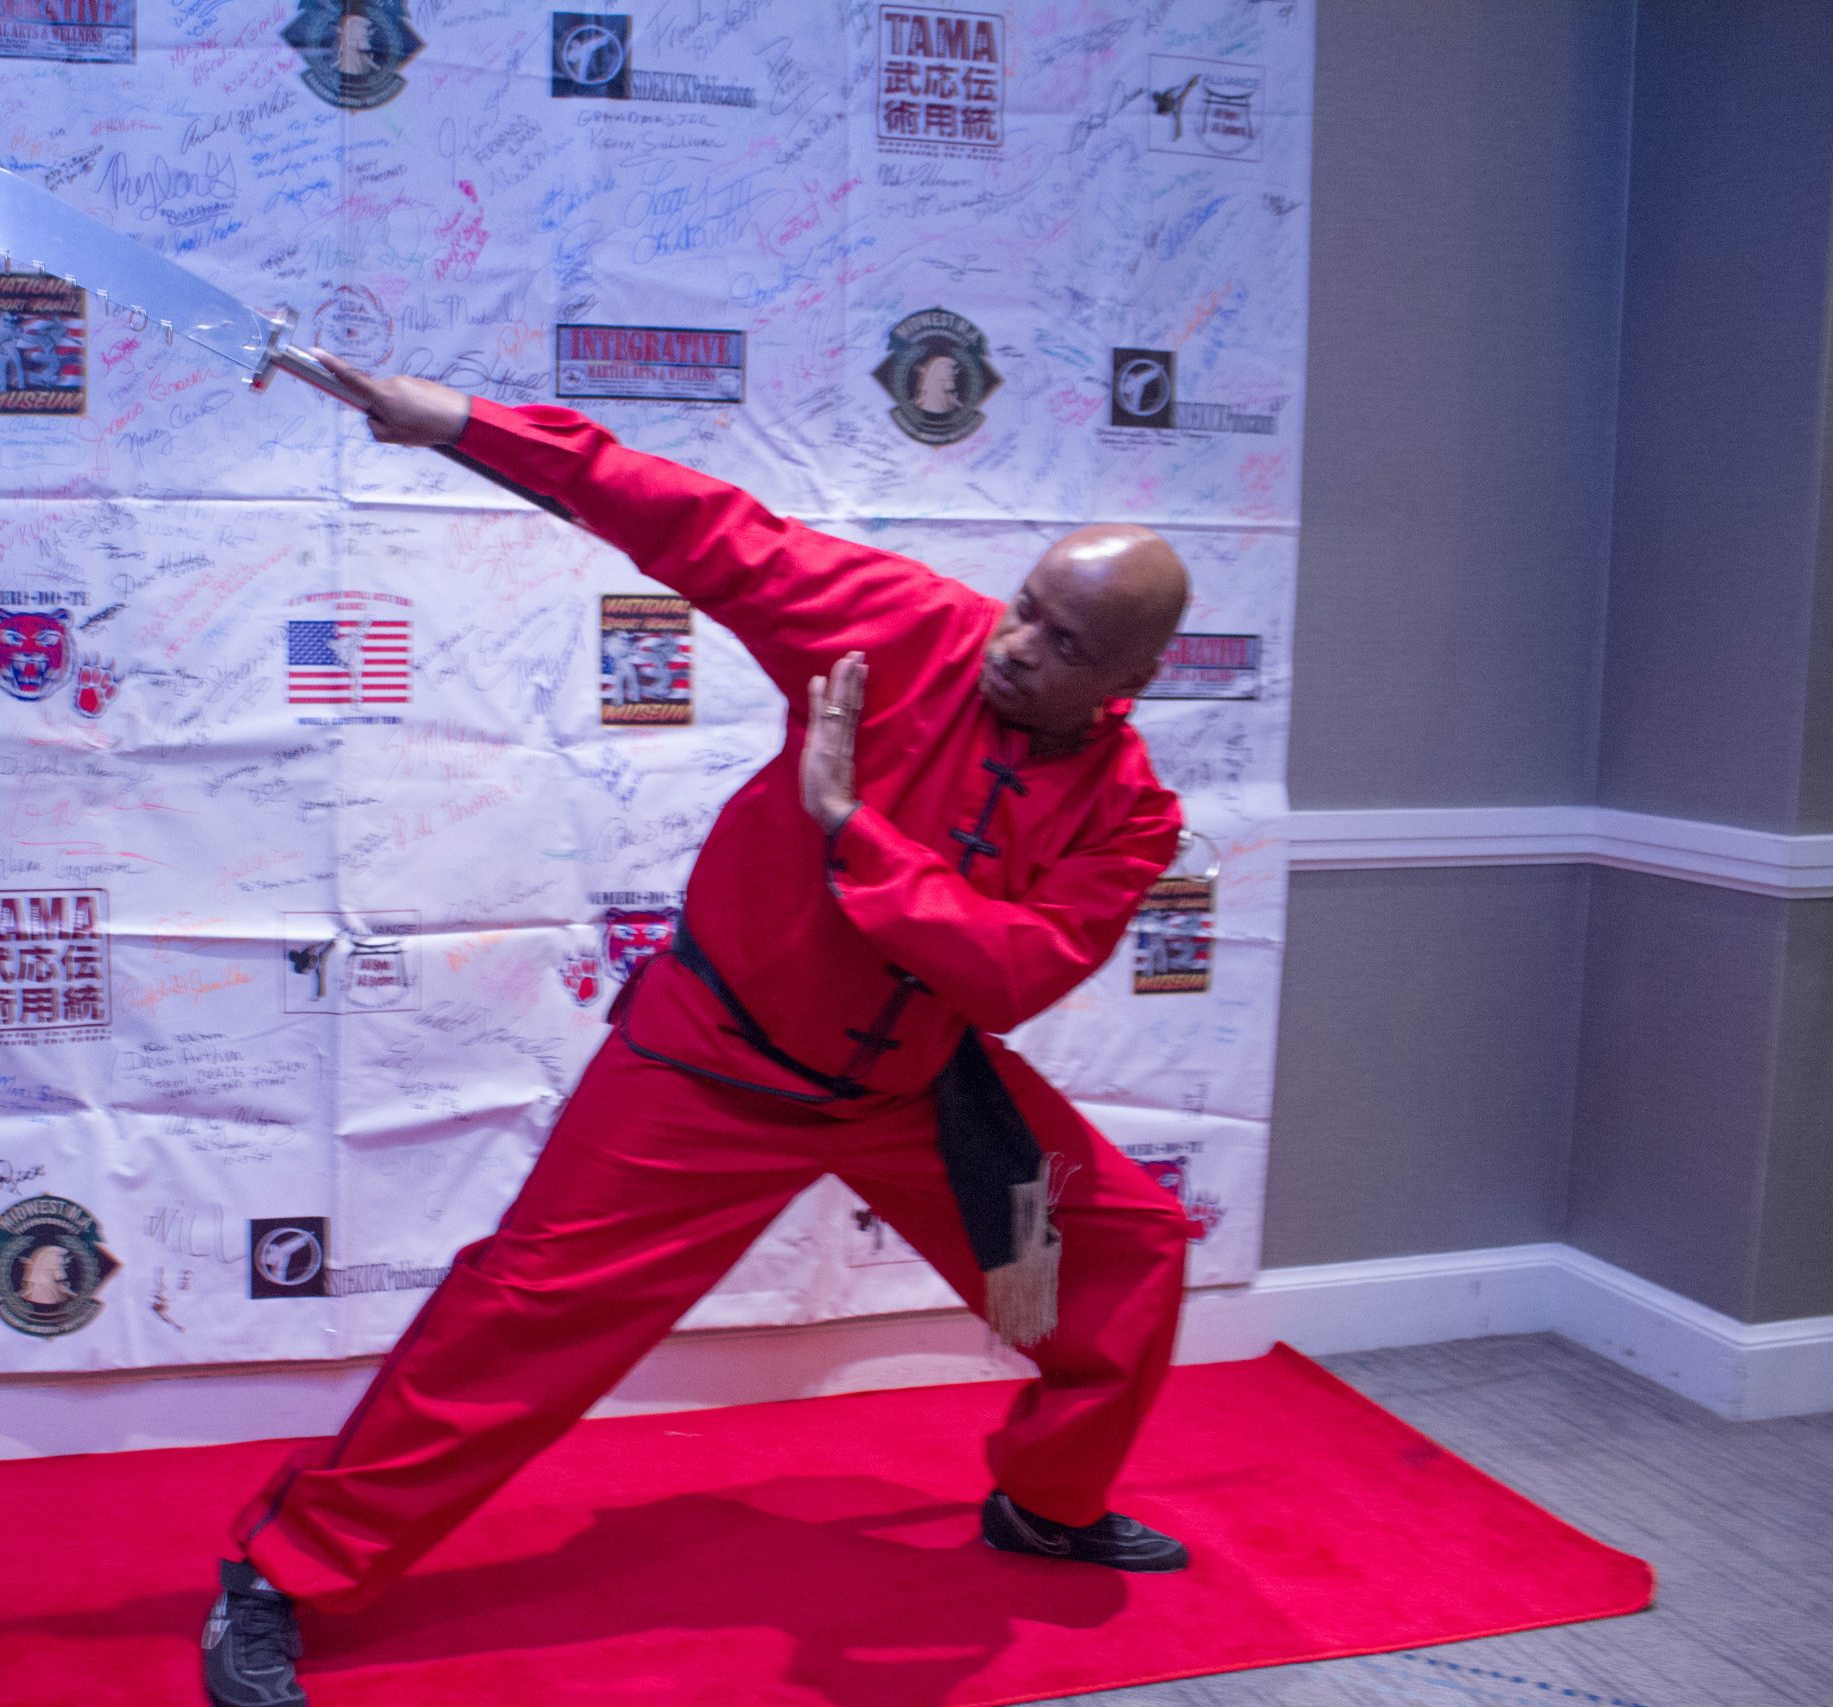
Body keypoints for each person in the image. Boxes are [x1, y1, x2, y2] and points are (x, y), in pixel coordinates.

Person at [204, 357, 1200, 1707]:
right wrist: (464, 426)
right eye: (1026, 607)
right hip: (708, 1070)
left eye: (1067, 646)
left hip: (917, 1091)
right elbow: (696, 523)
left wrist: (852, 830)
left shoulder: (1134, 809)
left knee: (1120, 1251)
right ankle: (281, 1571)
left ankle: (1046, 1502)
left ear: (1135, 677)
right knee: (521, 1324)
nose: (1018, 646)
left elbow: (1016, 972)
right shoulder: (906, 628)